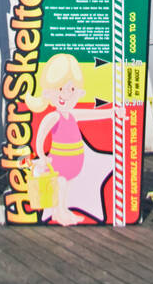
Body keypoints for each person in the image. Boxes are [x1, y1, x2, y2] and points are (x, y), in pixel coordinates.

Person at [25, 53, 121, 226]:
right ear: (49, 92)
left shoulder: (71, 115)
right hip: (60, 161)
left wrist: (112, 113)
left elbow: (93, 114)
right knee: (60, 185)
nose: (66, 94)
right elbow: (40, 137)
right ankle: (59, 212)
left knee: (65, 187)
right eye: (60, 89)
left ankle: (61, 211)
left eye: (71, 89)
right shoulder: (53, 117)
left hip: (73, 163)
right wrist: (43, 156)